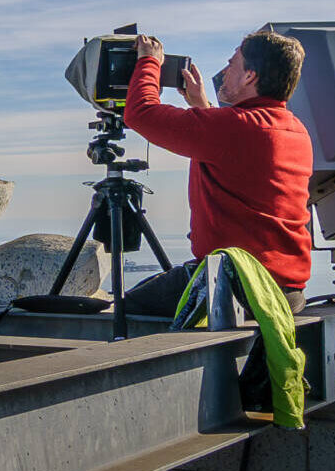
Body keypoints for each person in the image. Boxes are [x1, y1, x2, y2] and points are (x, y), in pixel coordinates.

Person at [119, 31, 314, 316]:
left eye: (232, 64)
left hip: (236, 287)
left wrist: (149, 62)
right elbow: (236, 151)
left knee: (124, 314)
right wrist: (202, 107)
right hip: (285, 292)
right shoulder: (294, 129)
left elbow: (140, 113)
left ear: (250, 76)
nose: (224, 72)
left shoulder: (234, 128)